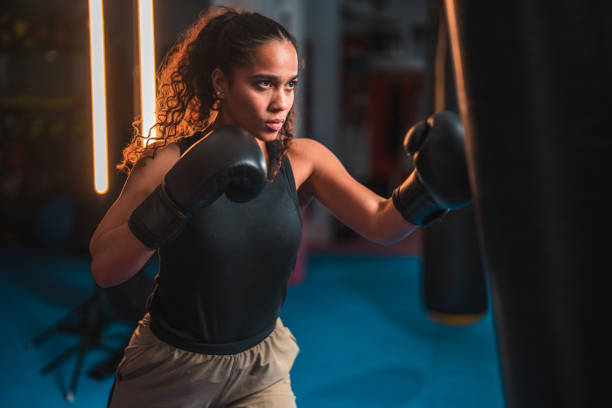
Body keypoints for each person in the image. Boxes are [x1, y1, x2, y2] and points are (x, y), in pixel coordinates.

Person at [89, 6, 471, 408]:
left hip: (261, 367)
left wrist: (427, 188)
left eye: (290, 85)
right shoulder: (168, 163)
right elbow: (105, 269)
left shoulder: (303, 160)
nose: (280, 102)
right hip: (172, 367)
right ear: (221, 82)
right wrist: (177, 196)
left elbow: (381, 224)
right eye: (264, 84)